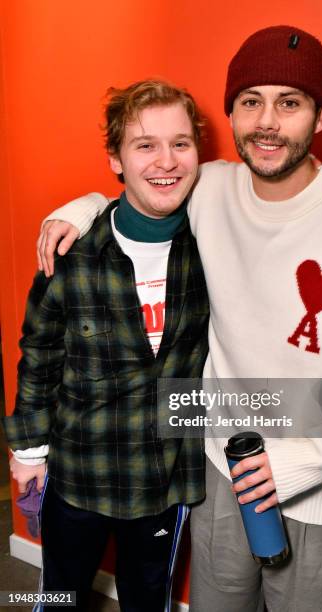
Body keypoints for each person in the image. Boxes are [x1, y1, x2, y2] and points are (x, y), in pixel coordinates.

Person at [32, 27, 322, 612]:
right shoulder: (209, 188)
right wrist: (83, 207)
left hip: (319, 491)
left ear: (321, 118)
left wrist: (303, 464)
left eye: (290, 102)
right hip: (218, 470)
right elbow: (143, 192)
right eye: (252, 101)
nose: (268, 121)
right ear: (233, 114)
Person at [3, 80, 210, 612]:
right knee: (58, 596)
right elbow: (40, 351)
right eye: (145, 145)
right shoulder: (71, 250)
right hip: (78, 472)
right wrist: (27, 453)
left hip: (165, 477)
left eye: (180, 143)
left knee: (149, 600)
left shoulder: (216, 244)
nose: (166, 160)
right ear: (116, 160)